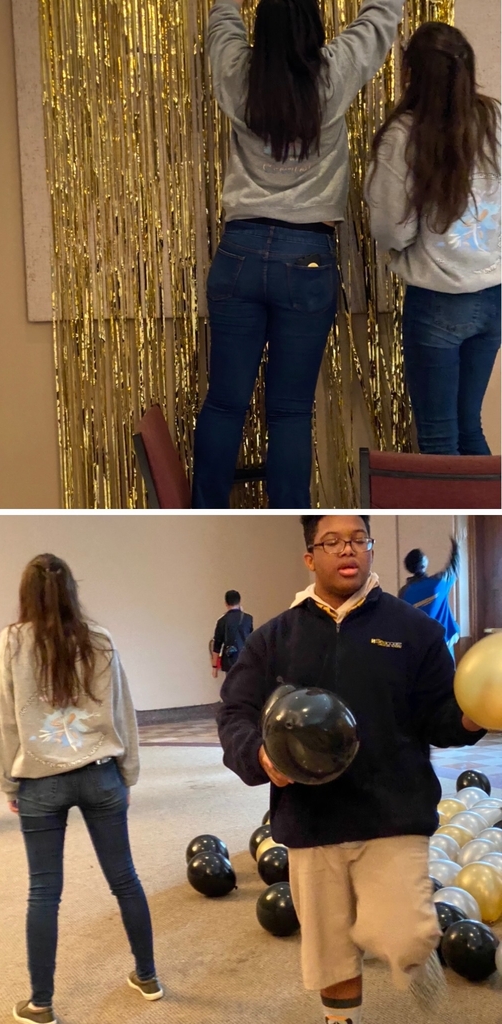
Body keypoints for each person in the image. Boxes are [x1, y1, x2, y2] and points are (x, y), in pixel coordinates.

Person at [218, 514, 487, 1024]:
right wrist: (260, 755)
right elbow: (235, 713)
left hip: (393, 813)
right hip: (312, 818)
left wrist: (475, 713)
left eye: (359, 539)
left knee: (406, 935)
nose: (348, 549)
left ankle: (411, 953)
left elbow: (440, 716)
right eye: (333, 541)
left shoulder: (415, 631)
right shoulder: (274, 638)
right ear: (310, 557)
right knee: (331, 949)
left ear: (371, 548)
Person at [193, 0, 405, 508]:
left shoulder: (238, 73)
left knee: (224, 404)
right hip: (307, 255)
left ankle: (204, 512)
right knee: (290, 411)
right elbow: (381, 16)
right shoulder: (333, 72)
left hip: (240, 250)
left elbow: (221, 17)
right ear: (314, 27)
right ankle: (290, 519)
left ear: (261, 30)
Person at [0, 553, 160, 1024]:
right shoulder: (99, 638)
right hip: (100, 773)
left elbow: (6, 717)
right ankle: (148, 977)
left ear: (26, 594)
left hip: (40, 779)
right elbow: (123, 710)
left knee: (43, 892)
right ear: (71, 590)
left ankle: (40, 1004)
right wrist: (128, 773)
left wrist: (9, 780)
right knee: (125, 878)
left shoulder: (12, 641)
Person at [365, 24, 500, 456]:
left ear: (411, 73)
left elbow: (392, 227)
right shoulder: (494, 119)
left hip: (438, 299)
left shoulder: (404, 135)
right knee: (469, 427)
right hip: (493, 295)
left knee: (440, 438)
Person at [398, 538, 460, 652]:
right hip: (442, 644)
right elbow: (453, 569)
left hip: (418, 647)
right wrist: (456, 547)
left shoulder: (404, 592)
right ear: (423, 564)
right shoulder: (437, 584)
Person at [210, 588, 254, 678]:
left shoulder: (222, 621)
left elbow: (217, 646)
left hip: (229, 661)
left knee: (231, 684)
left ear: (226, 603)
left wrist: (214, 667)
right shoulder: (248, 619)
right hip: (245, 660)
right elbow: (252, 640)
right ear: (239, 601)